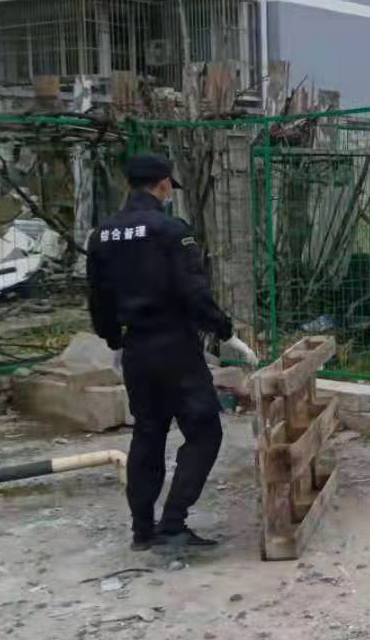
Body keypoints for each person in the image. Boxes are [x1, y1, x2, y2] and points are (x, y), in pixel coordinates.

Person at [86, 154, 257, 551]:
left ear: (129, 185)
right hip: (175, 347)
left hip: (136, 349)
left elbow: (98, 297)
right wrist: (225, 332)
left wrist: (113, 339)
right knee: (204, 431)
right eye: (168, 188)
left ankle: (142, 529)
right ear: (163, 185)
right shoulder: (171, 230)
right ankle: (173, 522)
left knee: (147, 433)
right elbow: (193, 292)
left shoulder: (102, 235)